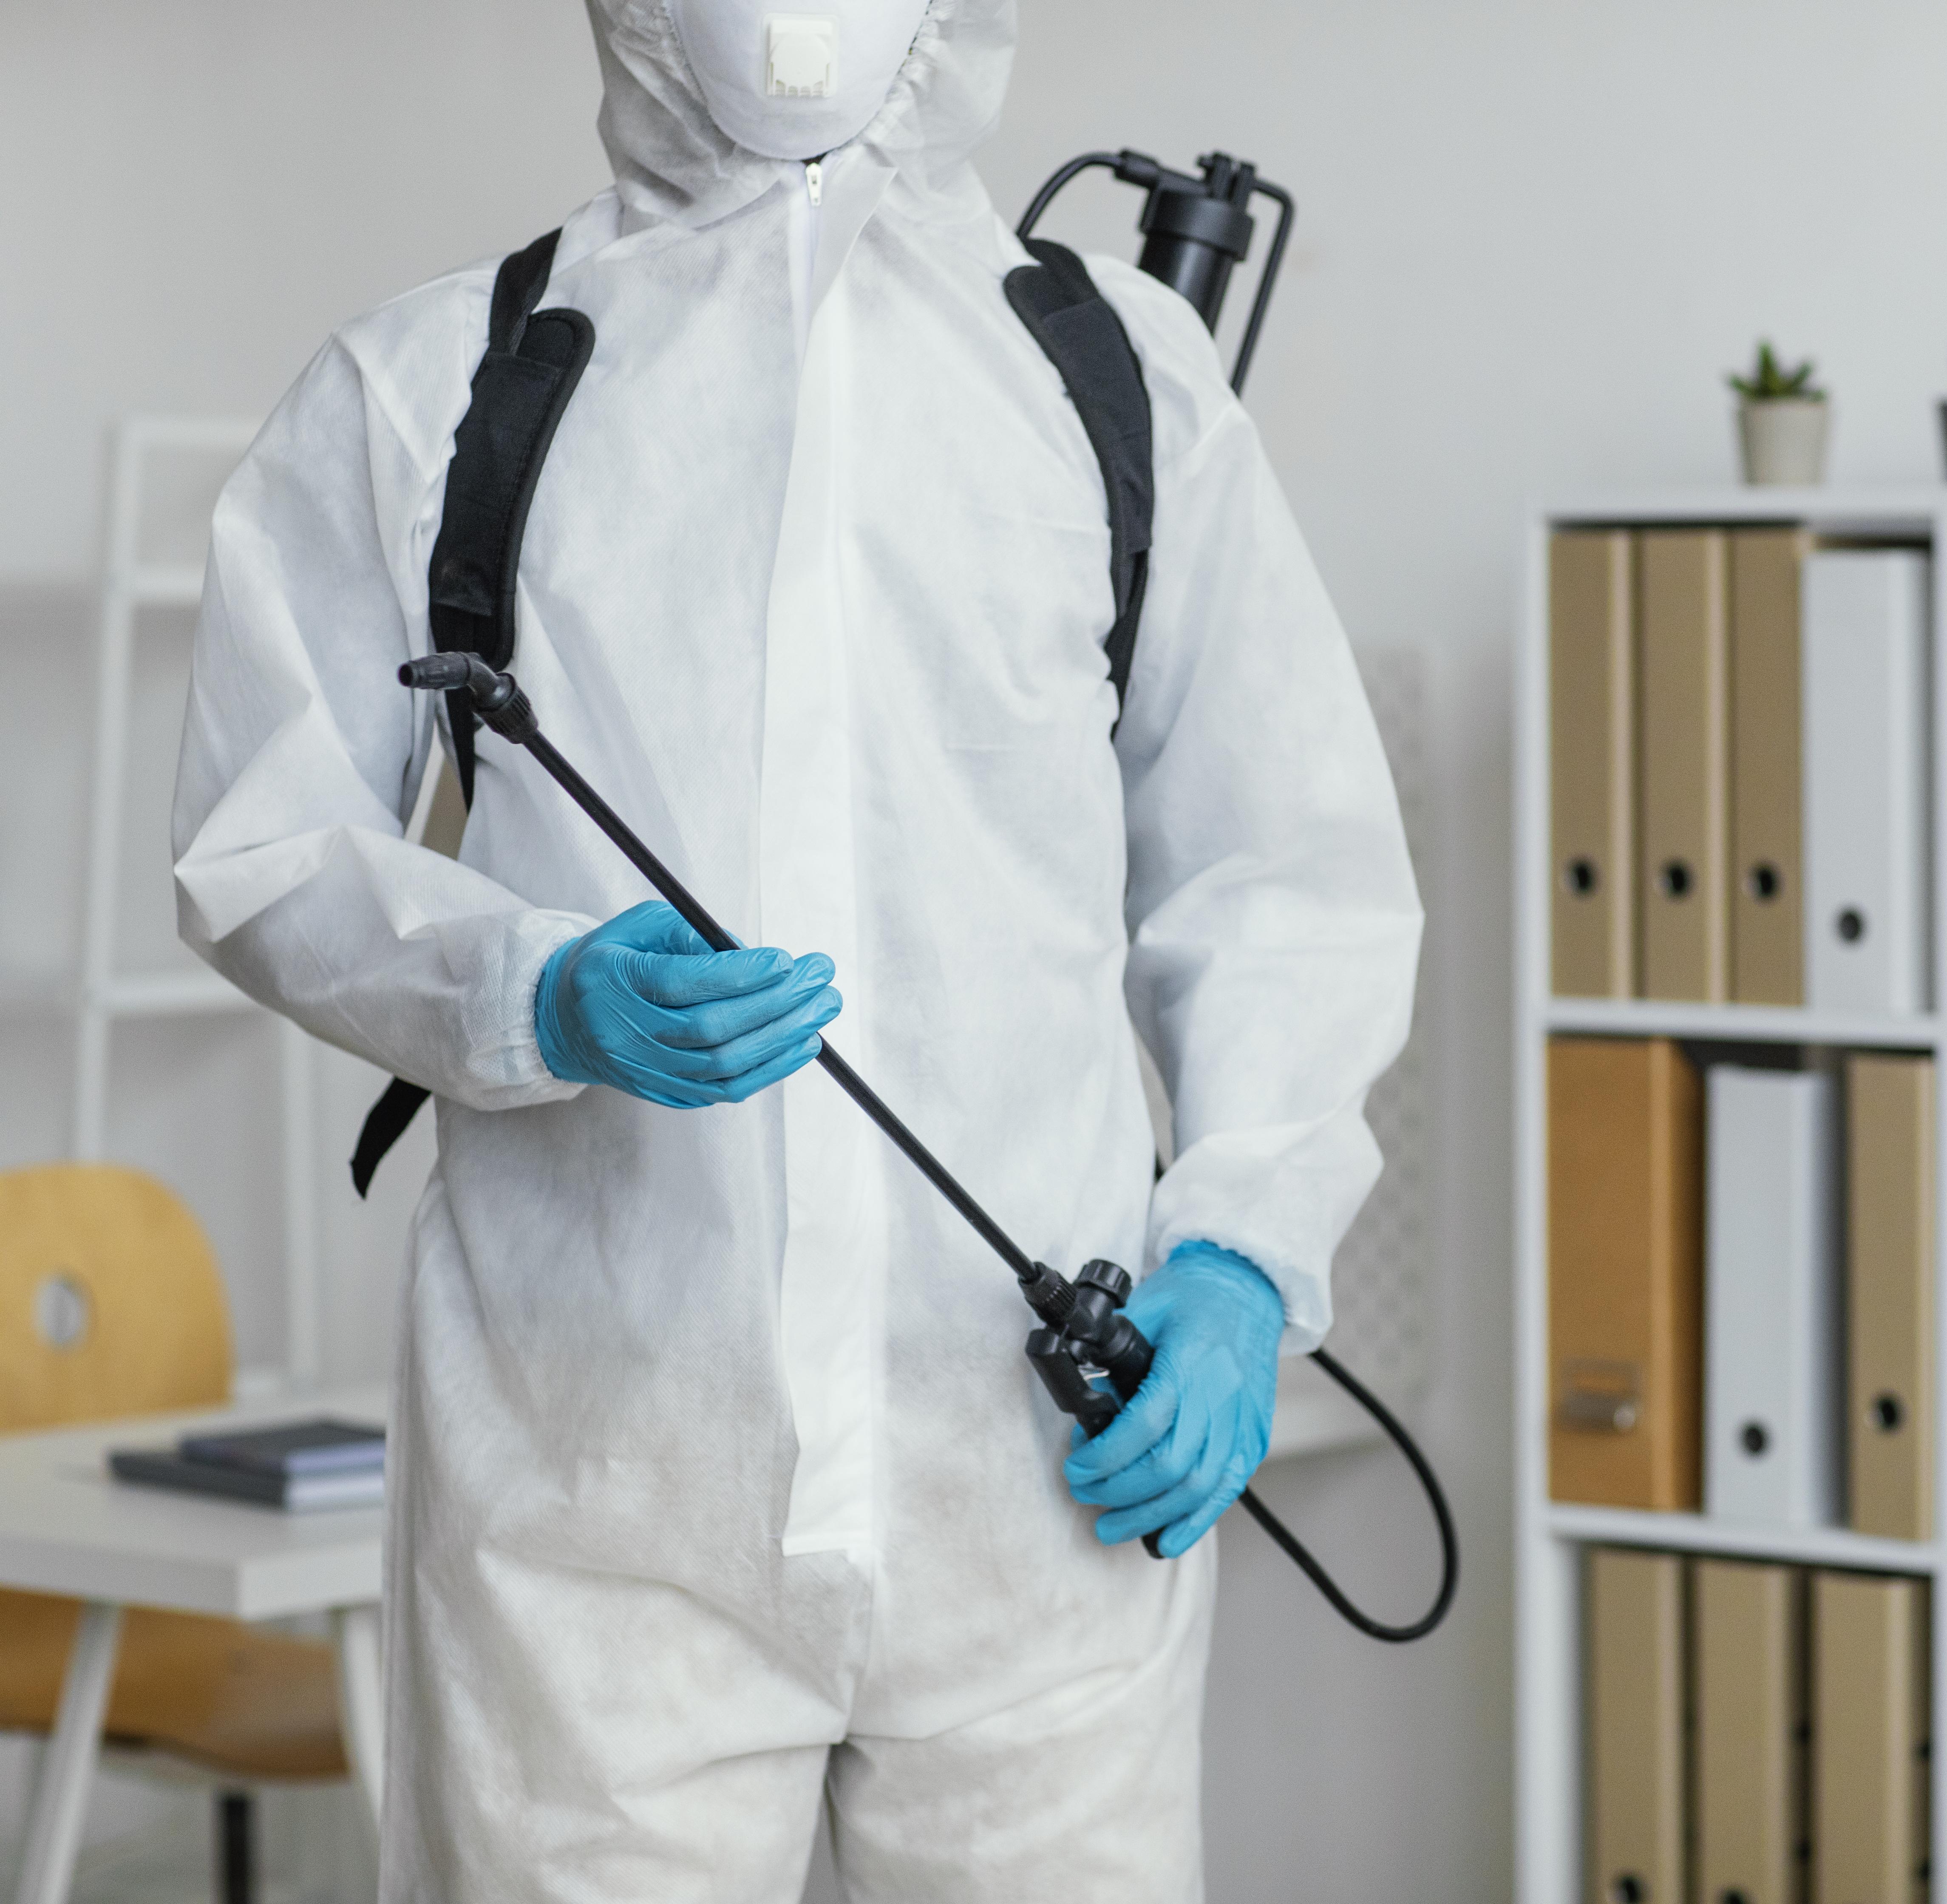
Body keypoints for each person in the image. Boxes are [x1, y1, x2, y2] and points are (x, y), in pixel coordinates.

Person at [169, 0, 1420, 1895]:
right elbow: (258, 843)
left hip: (1035, 1512)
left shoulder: (1117, 378)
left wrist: (1244, 1261)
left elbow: (1284, 872)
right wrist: (533, 983)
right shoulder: (442, 381)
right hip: (592, 1530)